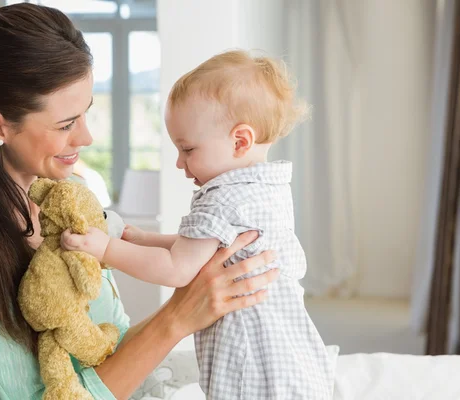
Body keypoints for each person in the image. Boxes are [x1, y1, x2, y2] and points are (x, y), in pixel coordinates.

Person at [0, 4, 279, 399]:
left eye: (85, 115)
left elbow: (104, 353)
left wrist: (195, 310)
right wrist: (177, 318)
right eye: (65, 124)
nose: (85, 139)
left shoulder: (71, 205)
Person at [62, 50, 335, 399]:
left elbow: (178, 270)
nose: (179, 162)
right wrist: (146, 239)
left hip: (251, 360)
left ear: (240, 141)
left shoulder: (221, 197)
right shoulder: (267, 189)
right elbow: (204, 246)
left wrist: (107, 249)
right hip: (290, 352)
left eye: (188, 149)